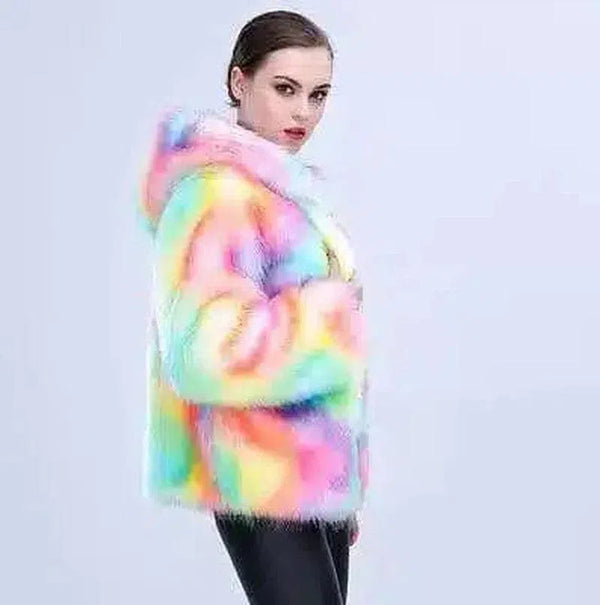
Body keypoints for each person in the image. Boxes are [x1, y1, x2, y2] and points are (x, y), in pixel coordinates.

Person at [138, 10, 369, 604]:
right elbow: (202, 354)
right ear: (239, 82)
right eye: (285, 89)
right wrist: (326, 320)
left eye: (318, 95)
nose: (304, 113)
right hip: (259, 478)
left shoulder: (284, 195)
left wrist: (339, 480)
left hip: (308, 480)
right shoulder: (216, 193)